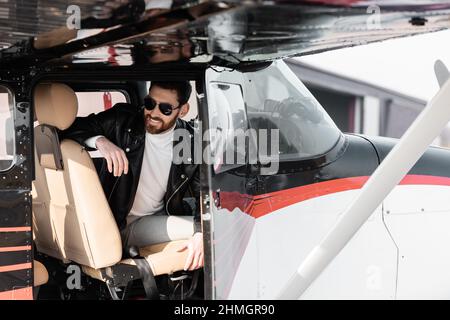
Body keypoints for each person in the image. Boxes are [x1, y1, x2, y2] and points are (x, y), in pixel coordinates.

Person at [61, 81, 203, 271]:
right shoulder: (123, 120)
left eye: (166, 109)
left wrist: (201, 233)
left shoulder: (192, 141)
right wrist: (100, 141)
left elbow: (205, 190)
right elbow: (68, 128)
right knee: (211, 231)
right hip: (124, 225)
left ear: (183, 110)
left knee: (208, 229)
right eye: (150, 103)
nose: (153, 113)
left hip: (160, 218)